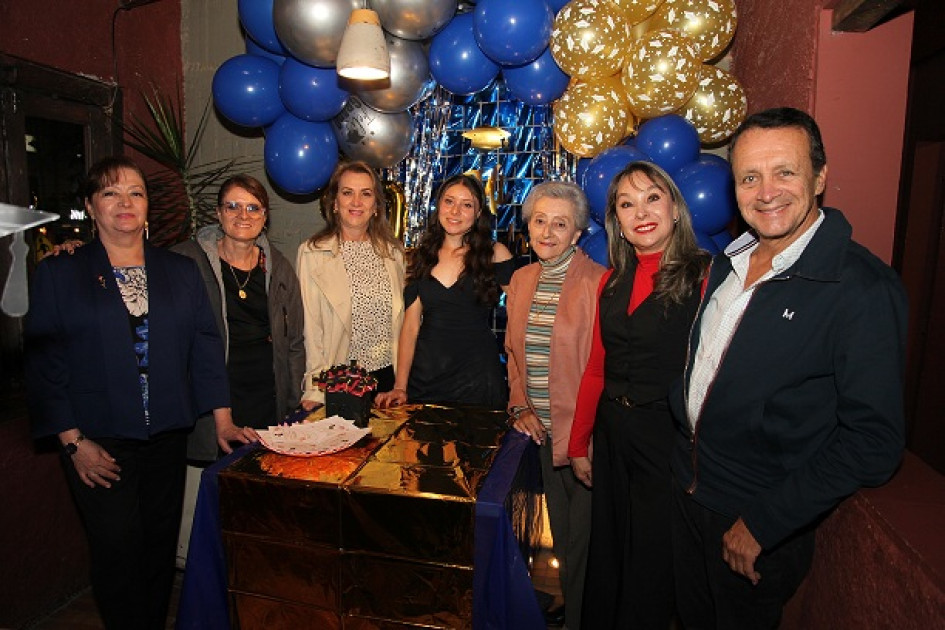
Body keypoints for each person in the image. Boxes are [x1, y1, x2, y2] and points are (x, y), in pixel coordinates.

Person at [670, 107, 907, 629]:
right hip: (689, 501)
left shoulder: (861, 288)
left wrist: (764, 521)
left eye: (785, 172)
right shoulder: (727, 264)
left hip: (755, 528)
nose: (766, 191)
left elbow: (874, 441)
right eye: (749, 177)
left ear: (820, 177)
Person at [25, 156, 256, 629]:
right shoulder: (60, 272)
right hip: (97, 443)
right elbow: (45, 366)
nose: (124, 203)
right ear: (91, 207)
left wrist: (224, 420)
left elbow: (206, 348)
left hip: (166, 437)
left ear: (148, 205)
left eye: (135, 192)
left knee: (156, 551)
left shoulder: (180, 270)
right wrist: (72, 443)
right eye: (110, 193)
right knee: (117, 549)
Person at [568, 161, 711, 629]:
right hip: (612, 435)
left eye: (652, 197)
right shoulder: (612, 281)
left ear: (674, 208)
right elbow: (596, 367)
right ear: (617, 223)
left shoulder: (706, 276)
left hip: (665, 439)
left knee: (653, 560)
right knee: (609, 551)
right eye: (626, 204)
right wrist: (578, 444)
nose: (641, 211)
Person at [504, 181, 605, 630]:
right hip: (542, 434)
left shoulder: (599, 283)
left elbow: (601, 373)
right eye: (539, 220)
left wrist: (583, 441)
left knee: (584, 550)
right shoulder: (523, 279)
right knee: (564, 543)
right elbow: (513, 355)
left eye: (560, 224)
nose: (547, 232)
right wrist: (518, 408)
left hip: (584, 442)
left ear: (578, 233)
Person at [173, 174, 305, 456]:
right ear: (219, 214)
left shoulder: (280, 268)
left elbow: (294, 343)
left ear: (264, 216)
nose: (243, 215)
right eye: (232, 206)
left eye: (253, 207)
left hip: (267, 396)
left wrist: (292, 404)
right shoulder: (186, 262)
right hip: (215, 398)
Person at [375, 173, 514, 410]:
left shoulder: (494, 253)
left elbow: (521, 316)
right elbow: (410, 326)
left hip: (478, 381)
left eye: (466, 205)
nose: (455, 211)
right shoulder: (420, 257)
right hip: (425, 382)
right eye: (449, 201)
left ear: (478, 213)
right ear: (438, 205)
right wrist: (400, 386)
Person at [297, 160, 406, 405]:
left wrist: (402, 384)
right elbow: (311, 329)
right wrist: (315, 390)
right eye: (347, 193)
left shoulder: (394, 253)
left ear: (376, 205)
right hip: (339, 383)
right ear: (334, 203)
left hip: (387, 384)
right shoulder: (312, 253)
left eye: (366, 194)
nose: (356, 202)